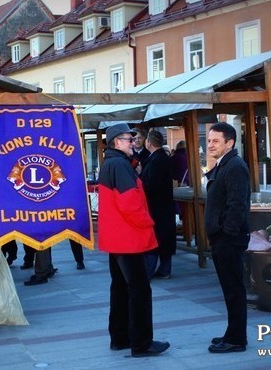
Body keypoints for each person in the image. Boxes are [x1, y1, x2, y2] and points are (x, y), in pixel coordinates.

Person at [98, 123, 169, 358]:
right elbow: (130, 204)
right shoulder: (119, 165)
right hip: (128, 238)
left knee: (119, 288)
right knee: (139, 290)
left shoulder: (112, 163)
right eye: (130, 139)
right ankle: (141, 343)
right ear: (117, 142)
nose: (134, 142)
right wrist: (149, 223)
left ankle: (120, 338)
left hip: (117, 239)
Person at [204, 122, 250, 353]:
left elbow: (237, 204)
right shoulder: (225, 164)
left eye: (215, 141)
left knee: (234, 290)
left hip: (229, 240)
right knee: (229, 289)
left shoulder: (235, 166)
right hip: (223, 238)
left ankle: (236, 339)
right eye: (209, 140)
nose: (210, 145)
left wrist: (226, 232)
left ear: (229, 143)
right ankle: (232, 333)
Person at [140, 130, 176, 279]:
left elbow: (152, 184)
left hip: (157, 206)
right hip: (163, 206)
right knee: (164, 239)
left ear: (149, 142)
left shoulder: (156, 160)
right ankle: (164, 269)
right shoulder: (161, 157)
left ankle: (150, 271)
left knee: (156, 238)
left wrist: (141, 182)